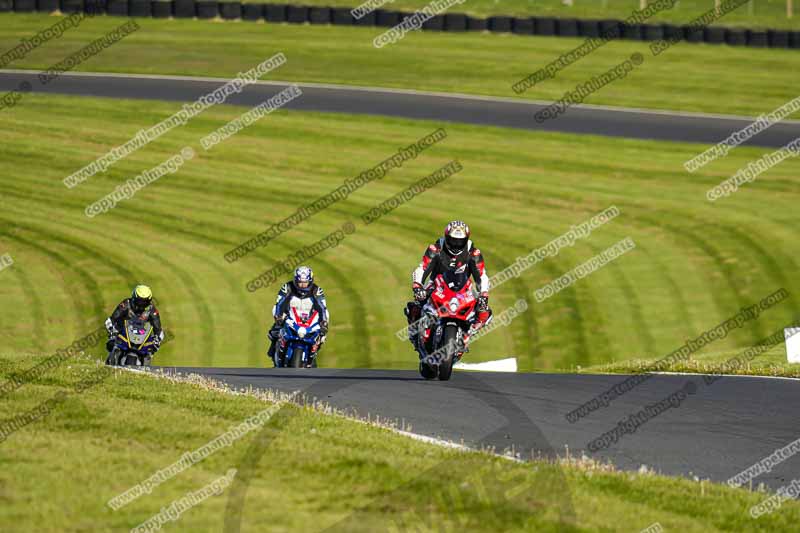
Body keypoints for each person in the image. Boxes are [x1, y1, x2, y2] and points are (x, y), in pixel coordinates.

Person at [405, 220, 492, 357]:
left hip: (463, 289)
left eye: (460, 241)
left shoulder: (473, 253)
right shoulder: (436, 249)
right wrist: (417, 285)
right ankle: (415, 335)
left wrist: (483, 294)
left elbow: (482, 276)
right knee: (415, 306)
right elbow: (422, 268)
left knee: (484, 310)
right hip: (436, 285)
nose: (456, 245)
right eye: (453, 241)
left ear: (466, 240)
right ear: (446, 238)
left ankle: (469, 331)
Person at [267, 266, 329, 366]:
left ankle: (313, 356)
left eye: (305, 283)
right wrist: (279, 317)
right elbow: (280, 303)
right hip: (290, 317)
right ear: (295, 280)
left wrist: (324, 323)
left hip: (309, 320)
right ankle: (273, 353)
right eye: (300, 282)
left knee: (322, 337)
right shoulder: (288, 287)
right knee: (274, 332)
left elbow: (322, 308)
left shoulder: (317, 291)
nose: (302, 285)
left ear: (310, 281)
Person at [105, 284, 165, 362]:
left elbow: (159, 329)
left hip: (142, 337)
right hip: (122, 333)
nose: (141, 304)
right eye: (139, 301)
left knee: (150, 352)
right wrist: (111, 330)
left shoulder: (152, 310)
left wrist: (157, 340)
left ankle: (145, 369)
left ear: (149, 301)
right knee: (111, 344)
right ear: (134, 297)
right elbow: (111, 319)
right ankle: (110, 362)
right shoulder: (126, 304)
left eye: (144, 302)